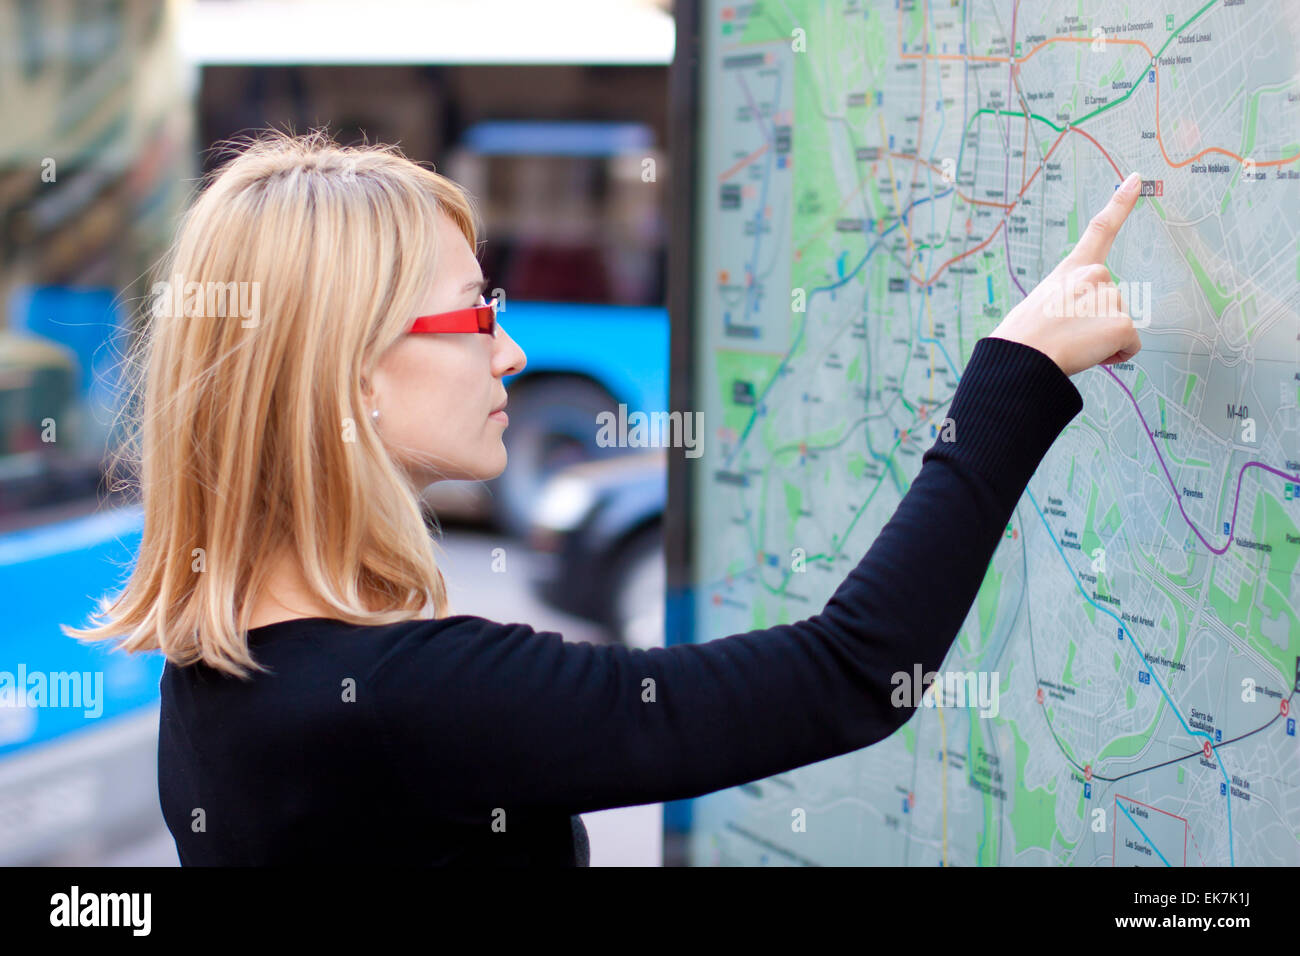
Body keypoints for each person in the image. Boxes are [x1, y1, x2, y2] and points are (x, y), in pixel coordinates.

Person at [64, 129, 1143, 865]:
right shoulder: (413, 696)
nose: (514, 348)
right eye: (474, 315)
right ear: (350, 372)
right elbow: (850, 672)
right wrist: (1015, 370)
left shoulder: (216, 665)